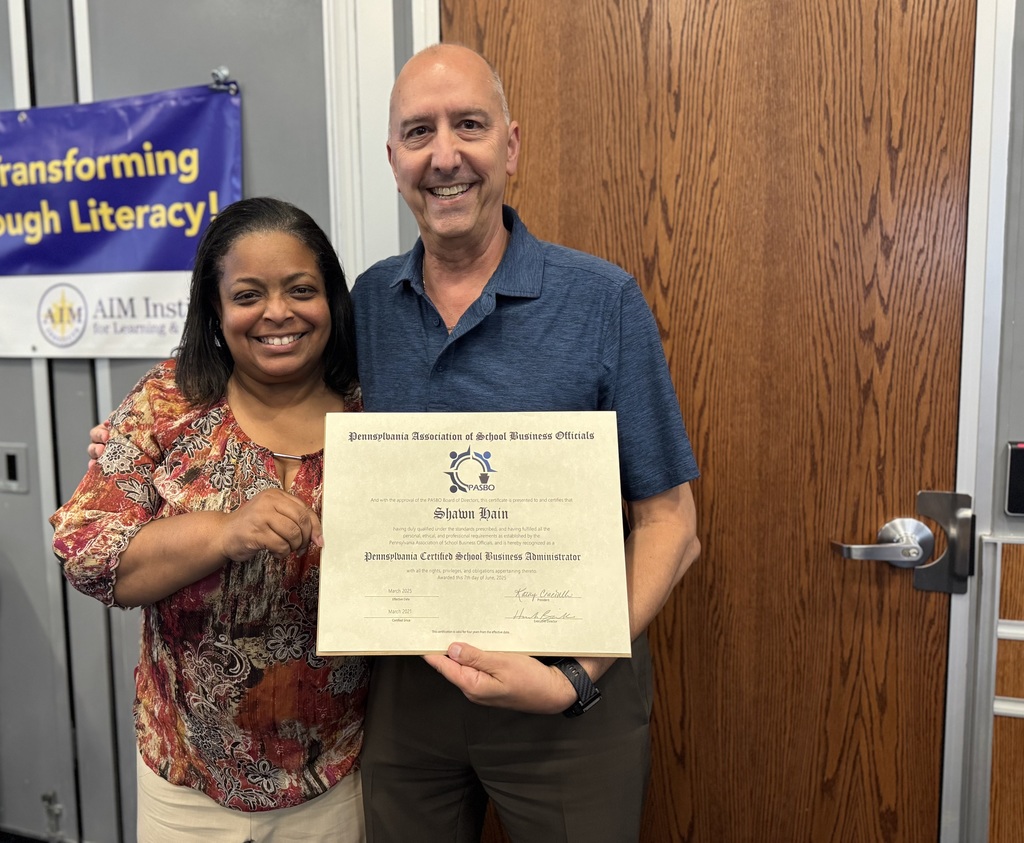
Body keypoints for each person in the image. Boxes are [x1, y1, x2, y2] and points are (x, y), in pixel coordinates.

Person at [90, 44, 701, 843]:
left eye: (469, 126)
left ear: (509, 146)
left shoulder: (602, 301)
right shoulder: (365, 306)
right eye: (419, 132)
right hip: (406, 695)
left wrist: (574, 679)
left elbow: (672, 524)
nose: (445, 155)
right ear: (393, 158)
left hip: (565, 696)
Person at [56, 197, 368, 842]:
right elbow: (89, 557)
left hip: (338, 773)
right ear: (216, 310)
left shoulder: (379, 411)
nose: (277, 313)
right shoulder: (168, 404)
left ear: (331, 300)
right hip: (187, 781)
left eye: (301, 290)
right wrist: (222, 533)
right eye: (248, 294)